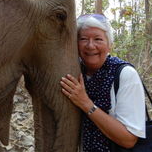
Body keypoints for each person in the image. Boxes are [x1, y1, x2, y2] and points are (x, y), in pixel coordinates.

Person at [60, 14, 145, 151]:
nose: (90, 45)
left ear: (109, 45)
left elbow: (129, 139)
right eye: (83, 39)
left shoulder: (125, 74)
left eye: (98, 39)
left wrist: (85, 103)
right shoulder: (75, 72)